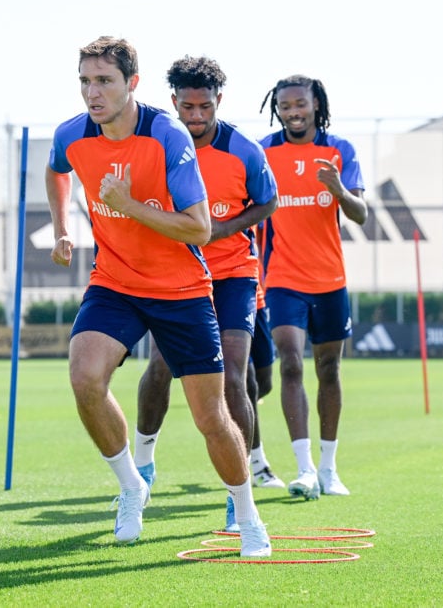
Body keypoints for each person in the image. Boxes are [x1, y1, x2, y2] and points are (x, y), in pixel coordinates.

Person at [44, 37, 270, 556]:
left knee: (211, 417)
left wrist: (127, 203)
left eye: (104, 81)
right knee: (84, 376)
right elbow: (57, 169)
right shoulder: (72, 135)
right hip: (115, 282)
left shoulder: (167, 135)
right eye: (85, 81)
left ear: (133, 84)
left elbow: (198, 228)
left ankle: (249, 515)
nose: (92, 93)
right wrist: (63, 227)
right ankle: (131, 486)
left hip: (182, 289)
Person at [131, 55, 278, 533]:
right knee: (160, 368)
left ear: (219, 101)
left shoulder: (244, 149)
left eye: (205, 107)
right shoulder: (157, 142)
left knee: (233, 375)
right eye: (187, 106)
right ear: (173, 101)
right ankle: (145, 463)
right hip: (176, 274)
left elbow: (268, 201)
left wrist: (221, 229)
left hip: (234, 273)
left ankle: (240, 495)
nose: (195, 116)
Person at [258, 75, 368, 499]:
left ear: (316, 105)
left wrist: (338, 189)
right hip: (282, 278)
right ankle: (303, 470)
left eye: (299, 104)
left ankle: (328, 467)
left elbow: (359, 214)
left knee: (329, 370)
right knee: (289, 362)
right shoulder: (265, 152)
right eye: (284, 106)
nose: (292, 112)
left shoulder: (340, 150)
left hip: (329, 280)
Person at [245, 281, 285, 489]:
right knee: (248, 385)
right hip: (220, 292)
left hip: (254, 296)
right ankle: (259, 466)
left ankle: (229, 413)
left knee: (265, 383)